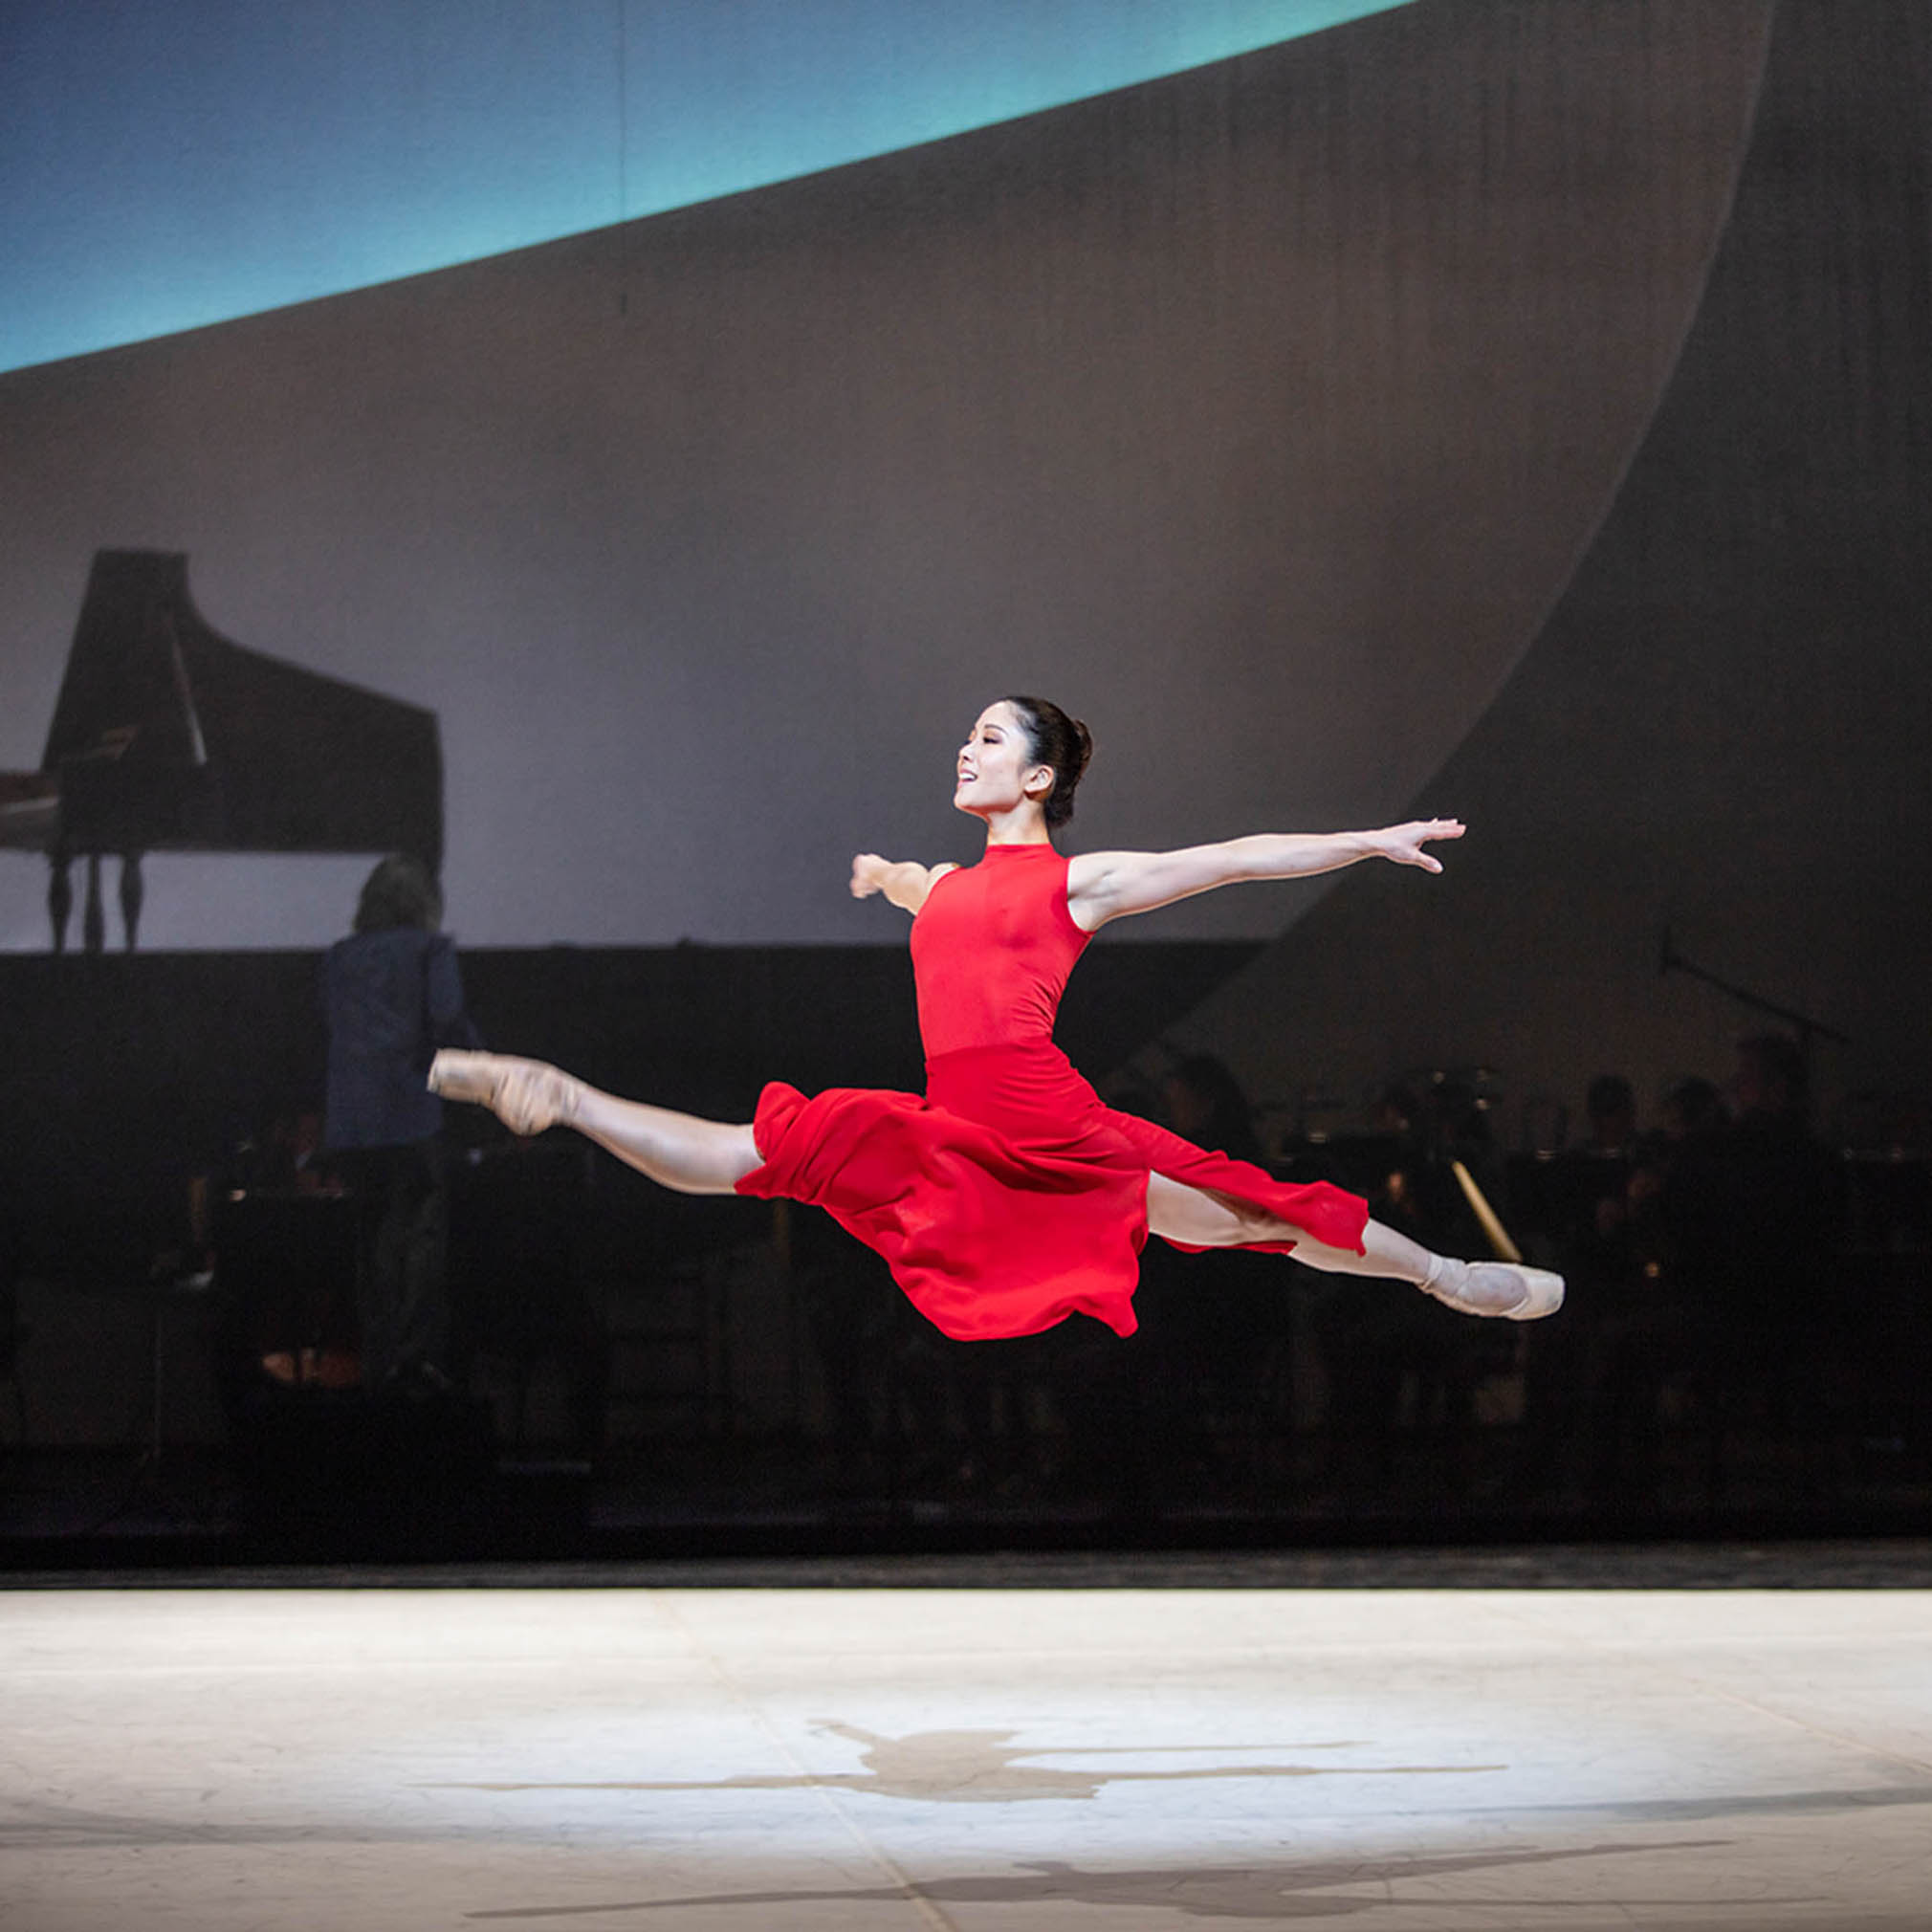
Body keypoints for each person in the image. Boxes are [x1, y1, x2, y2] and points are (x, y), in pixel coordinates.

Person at [429, 698, 1562, 1342]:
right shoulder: (957, 885)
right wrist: (890, 881)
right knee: (764, 1154)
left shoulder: (1075, 882)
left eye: (987, 739)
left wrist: (1361, 842)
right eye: (965, 737)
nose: (963, 749)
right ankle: (567, 1096)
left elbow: (1227, 861)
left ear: (1034, 779)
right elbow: (944, 897)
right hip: (953, 1123)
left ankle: (1444, 1277)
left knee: (1246, 1216)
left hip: (1049, 1118)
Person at [323, 853, 482, 1394]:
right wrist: (486, 1067)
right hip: (410, 1115)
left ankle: (376, 1361)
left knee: (371, 1245)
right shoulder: (430, 950)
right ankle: (415, 1365)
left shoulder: (339, 958)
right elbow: (446, 1017)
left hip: (350, 1123)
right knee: (421, 1238)